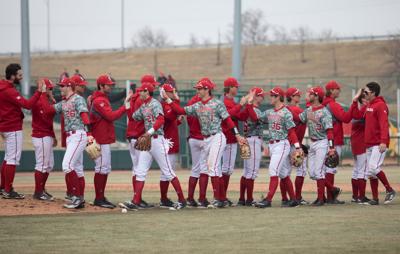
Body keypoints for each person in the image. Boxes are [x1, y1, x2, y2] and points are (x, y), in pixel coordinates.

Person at [161, 77, 248, 208]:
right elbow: (180, 111)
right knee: (209, 168)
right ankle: (221, 198)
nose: (198, 91)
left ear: (207, 89)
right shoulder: (197, 105)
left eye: (200, 89)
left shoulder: (217, 103)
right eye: (197, 89)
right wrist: (168, 100)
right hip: (206, 139)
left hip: (217, 137)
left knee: (212, 167)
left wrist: (237, 134)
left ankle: (218, 199)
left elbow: (228, 120)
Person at [120, 82, 187, 210]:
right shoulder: (144, 105)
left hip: (157, 140)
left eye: (141, 91)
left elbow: (161, 120)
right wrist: (127, 104)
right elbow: (133, 118)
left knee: (168, 171)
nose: (139, 93)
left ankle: (182, 200)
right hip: (148, 141)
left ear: (147, 92)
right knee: (140, 171)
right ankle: (135, 201)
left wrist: (148, 132)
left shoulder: (155, 103)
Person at [42, 77, 94, 209]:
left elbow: (84, 115)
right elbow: (48, 110)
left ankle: (76, 197)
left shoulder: (77, 99)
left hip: (78, 134)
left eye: (62, 86)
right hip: (70, 137)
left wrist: (89, 134)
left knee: (67, 165)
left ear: (69, 87)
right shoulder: (64, 102)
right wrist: (46, 96)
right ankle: (79, 198)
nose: (60, 88)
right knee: (76, 168)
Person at [250, 87, 302, 208]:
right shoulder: (269, 112)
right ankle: (294, 200)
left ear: (278, 97)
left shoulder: (286, 112)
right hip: (272, 145)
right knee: (283, 174)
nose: (270, 98)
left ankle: (268, 200)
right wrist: (249, 104)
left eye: (273, 96)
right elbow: (255, 118)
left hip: (282, 144)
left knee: (273, 170)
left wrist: (298, 147)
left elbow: (291, 132)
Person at [0, 63, 45, 199]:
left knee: (8, 158)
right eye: (19, 75)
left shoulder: (3, 87)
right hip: (12, 127)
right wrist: (39, 92)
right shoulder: (9, 90)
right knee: (12, 159)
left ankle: (3, 187)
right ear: (12, 76)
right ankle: (8, 190)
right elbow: (28, 105)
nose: (21, 77)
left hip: (5, 126)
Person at [293, 86, 342, 206]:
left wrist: (331, 148)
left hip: (322, 142)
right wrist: (285, 110)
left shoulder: (324, 111)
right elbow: (298, 118)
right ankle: (333, 189)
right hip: (313, 143)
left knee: (319, 171)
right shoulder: (309, 110)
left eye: (310, 94)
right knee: (313, 173)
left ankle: (321, 198)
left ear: (316, 96)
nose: (308, 95)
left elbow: (330, 131)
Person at [352, 82, 396, 205]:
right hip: (369, 143)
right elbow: (356, 116)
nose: (364, 94)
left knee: (373, 168)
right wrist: (355, 100)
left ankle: (390, 190)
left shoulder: (380, 105)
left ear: (373, 93)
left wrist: (383, 141)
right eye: (364, 92)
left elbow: (383, 124)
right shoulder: (369, 105)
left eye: (366, 92)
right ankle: (375, 199)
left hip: (378, 143)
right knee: (370, 172)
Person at [89, 74, 130, 208]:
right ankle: (98, 199)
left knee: (105, 168)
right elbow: (110, 116)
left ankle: (101, 197)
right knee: (101, 168)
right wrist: (125, 107)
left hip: (103, 138)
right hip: (99, 139)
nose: (111, 87)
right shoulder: (98, 100)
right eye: (109, 85)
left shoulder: (102, 98)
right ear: (101, 86)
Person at [323, 80, 353, 204]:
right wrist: (354, 105)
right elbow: (345, 118)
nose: (339, 90)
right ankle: (330, 197)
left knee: (325, 169)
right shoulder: (332, 104)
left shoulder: (323, 103)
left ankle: (324, 196)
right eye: (337, 89)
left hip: (324, 138)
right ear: (331, 90)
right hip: (333, 139)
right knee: (330, 168)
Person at [221, 77, 249, 205]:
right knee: (226, 169)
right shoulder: (224, 101)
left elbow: (239, 116)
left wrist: (249, 104)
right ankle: (221, 197)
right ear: (230, 87)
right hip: (228, 137)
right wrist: (241, 104)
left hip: (229, 138)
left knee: (226, 169)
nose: (237, 88)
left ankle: (222, 196)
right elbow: (228, 114)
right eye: (235, 86)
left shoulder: (231, 101)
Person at [237, 87, 265, 206]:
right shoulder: (252, 109)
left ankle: (242, 199)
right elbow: (252, 118)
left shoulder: (250, 108)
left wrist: (248, 104)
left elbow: (241, 116)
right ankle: (249, 199)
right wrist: (248, 103)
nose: (262, 97)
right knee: (251, 172)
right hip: (252, 140)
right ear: (255, 97)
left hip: (246, 140)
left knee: (246, 171)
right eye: (260, 95)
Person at [32, 78, 57, 201]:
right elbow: (46, 117)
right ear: (44, 89)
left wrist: (53, 136)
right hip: (40, 135)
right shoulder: (38, 101)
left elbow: (49, 121)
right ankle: (38, 192)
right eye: (50, 88)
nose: (52, 90)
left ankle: (41, 189)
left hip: (47, 135)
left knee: (49, 165)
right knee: (41, 165)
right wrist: (51, 102)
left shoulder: (46, 100)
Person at [159, 83, 183, 208]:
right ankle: (165, 198)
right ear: (163, 93)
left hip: (171, 140)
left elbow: (171, 122)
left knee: (166, 173)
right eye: (169, 92)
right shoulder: (163, 105)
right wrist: (176, 100)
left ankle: (164, 198)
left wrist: (178, 121)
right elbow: (172, 114)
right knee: (167, 172)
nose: (172, 93)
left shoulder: (169, 104)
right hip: (167, 142)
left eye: (172, 91)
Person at [285, 87, 308, 205]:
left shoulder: (286, 109)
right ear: (291, 97)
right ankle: (297, 197)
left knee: (285, 172)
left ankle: (285, 198)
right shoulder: (296, 109)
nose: (299, 96)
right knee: (302, 170)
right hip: (295, 145)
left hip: (288, 144)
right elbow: (305, 115)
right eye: (296, 95)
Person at [185, 94, 209, 207]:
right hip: (204, 138)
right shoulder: (205, 102)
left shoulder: (191, 101)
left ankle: (190, 198)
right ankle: (202, 199)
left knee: (195, 169)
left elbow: (188, 119)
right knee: (204, 169)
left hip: (193, 138)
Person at [350, 91, 370, 204]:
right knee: (363, 170)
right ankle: (361, 197)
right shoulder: (364, 109)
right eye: (366, 96)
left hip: (355, 141)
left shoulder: (357, 109)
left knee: (357, 170)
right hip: (361, 142)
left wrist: (354, 101)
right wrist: (355, 100)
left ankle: (355, 196)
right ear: (363, 99)